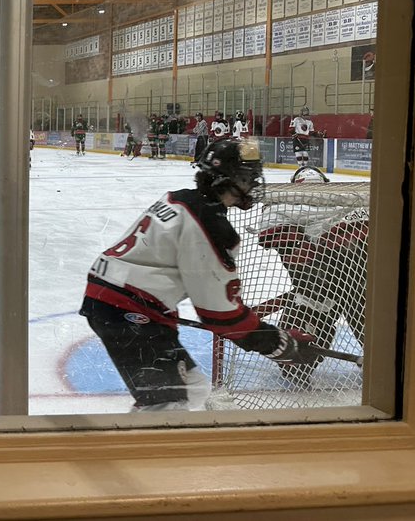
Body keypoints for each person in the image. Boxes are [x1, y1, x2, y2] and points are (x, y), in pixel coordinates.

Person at [79, 138, 321, 411]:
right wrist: (279, 343)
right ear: (226, 180)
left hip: (118, 299)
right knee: (165, 407)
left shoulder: (182, 198)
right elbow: (221, 315)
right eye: (247, 177)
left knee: (194, 389)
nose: (252, 184)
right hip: (125, 309)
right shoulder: (211, 225)